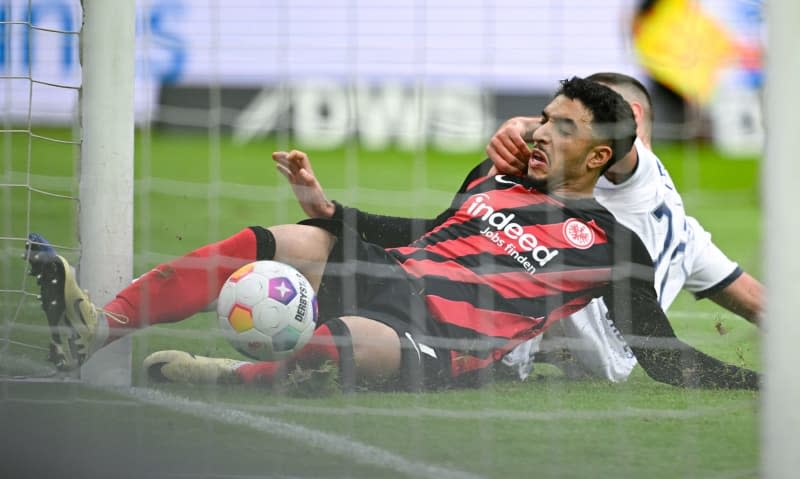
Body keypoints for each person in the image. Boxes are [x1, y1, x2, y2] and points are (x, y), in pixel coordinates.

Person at [27, 77, 758, 391]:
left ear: (598, 155)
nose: (539, 130)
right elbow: (428, 231)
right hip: (395, 268)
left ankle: (223, 378)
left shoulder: (609, 242)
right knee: (272, 238)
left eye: (561, 127)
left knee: (332, 345)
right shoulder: (494, 172)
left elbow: (664, 355)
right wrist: (329, 208)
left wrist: (763, 382)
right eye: (542, 115)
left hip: (446, 337)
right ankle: (99, 325)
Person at [268, 72, 763, 382]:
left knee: (501, 240)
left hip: (595, 347)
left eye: (574, 122)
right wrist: (332, 214)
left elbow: (621, 152)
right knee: (476, 229)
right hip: (597, 346)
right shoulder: (683, 228)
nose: (550, 132)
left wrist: (524, 124)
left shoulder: (633, 176)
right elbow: (754, 299)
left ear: (625, 123)